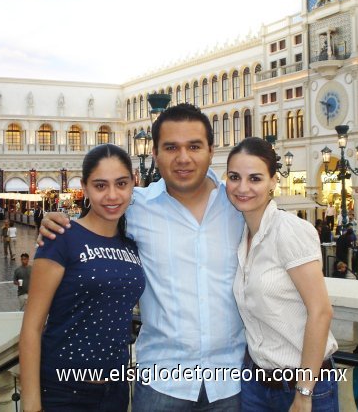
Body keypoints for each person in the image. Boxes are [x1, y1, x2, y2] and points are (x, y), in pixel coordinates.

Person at [40, 104, 246, 410]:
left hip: (229, 382)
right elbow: (96, 219)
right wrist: (53, 223)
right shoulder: (136, 206)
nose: (183, 158)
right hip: (161, 383)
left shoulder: (239, 206)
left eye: (194, 146)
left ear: (211, 150)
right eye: (171, 147)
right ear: (154, 153)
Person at [20, 144, 145, 412]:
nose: (112, 195)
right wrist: (31, 406)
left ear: (133, 184)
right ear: (85, 188)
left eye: (121, 184)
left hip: (116, 389)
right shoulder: (61, 238)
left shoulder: (131, 244)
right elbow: (32, 327)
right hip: (64, 391)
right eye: (101, 186)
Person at [226, 137, 338, 411]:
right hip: (254, 382)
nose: (243, 187)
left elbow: (321, 311)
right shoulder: (241, 235)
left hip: (302, 386)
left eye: (255, 178)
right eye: (234, 177)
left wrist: (303, 392)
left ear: (273, 181)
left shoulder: (290, 231)